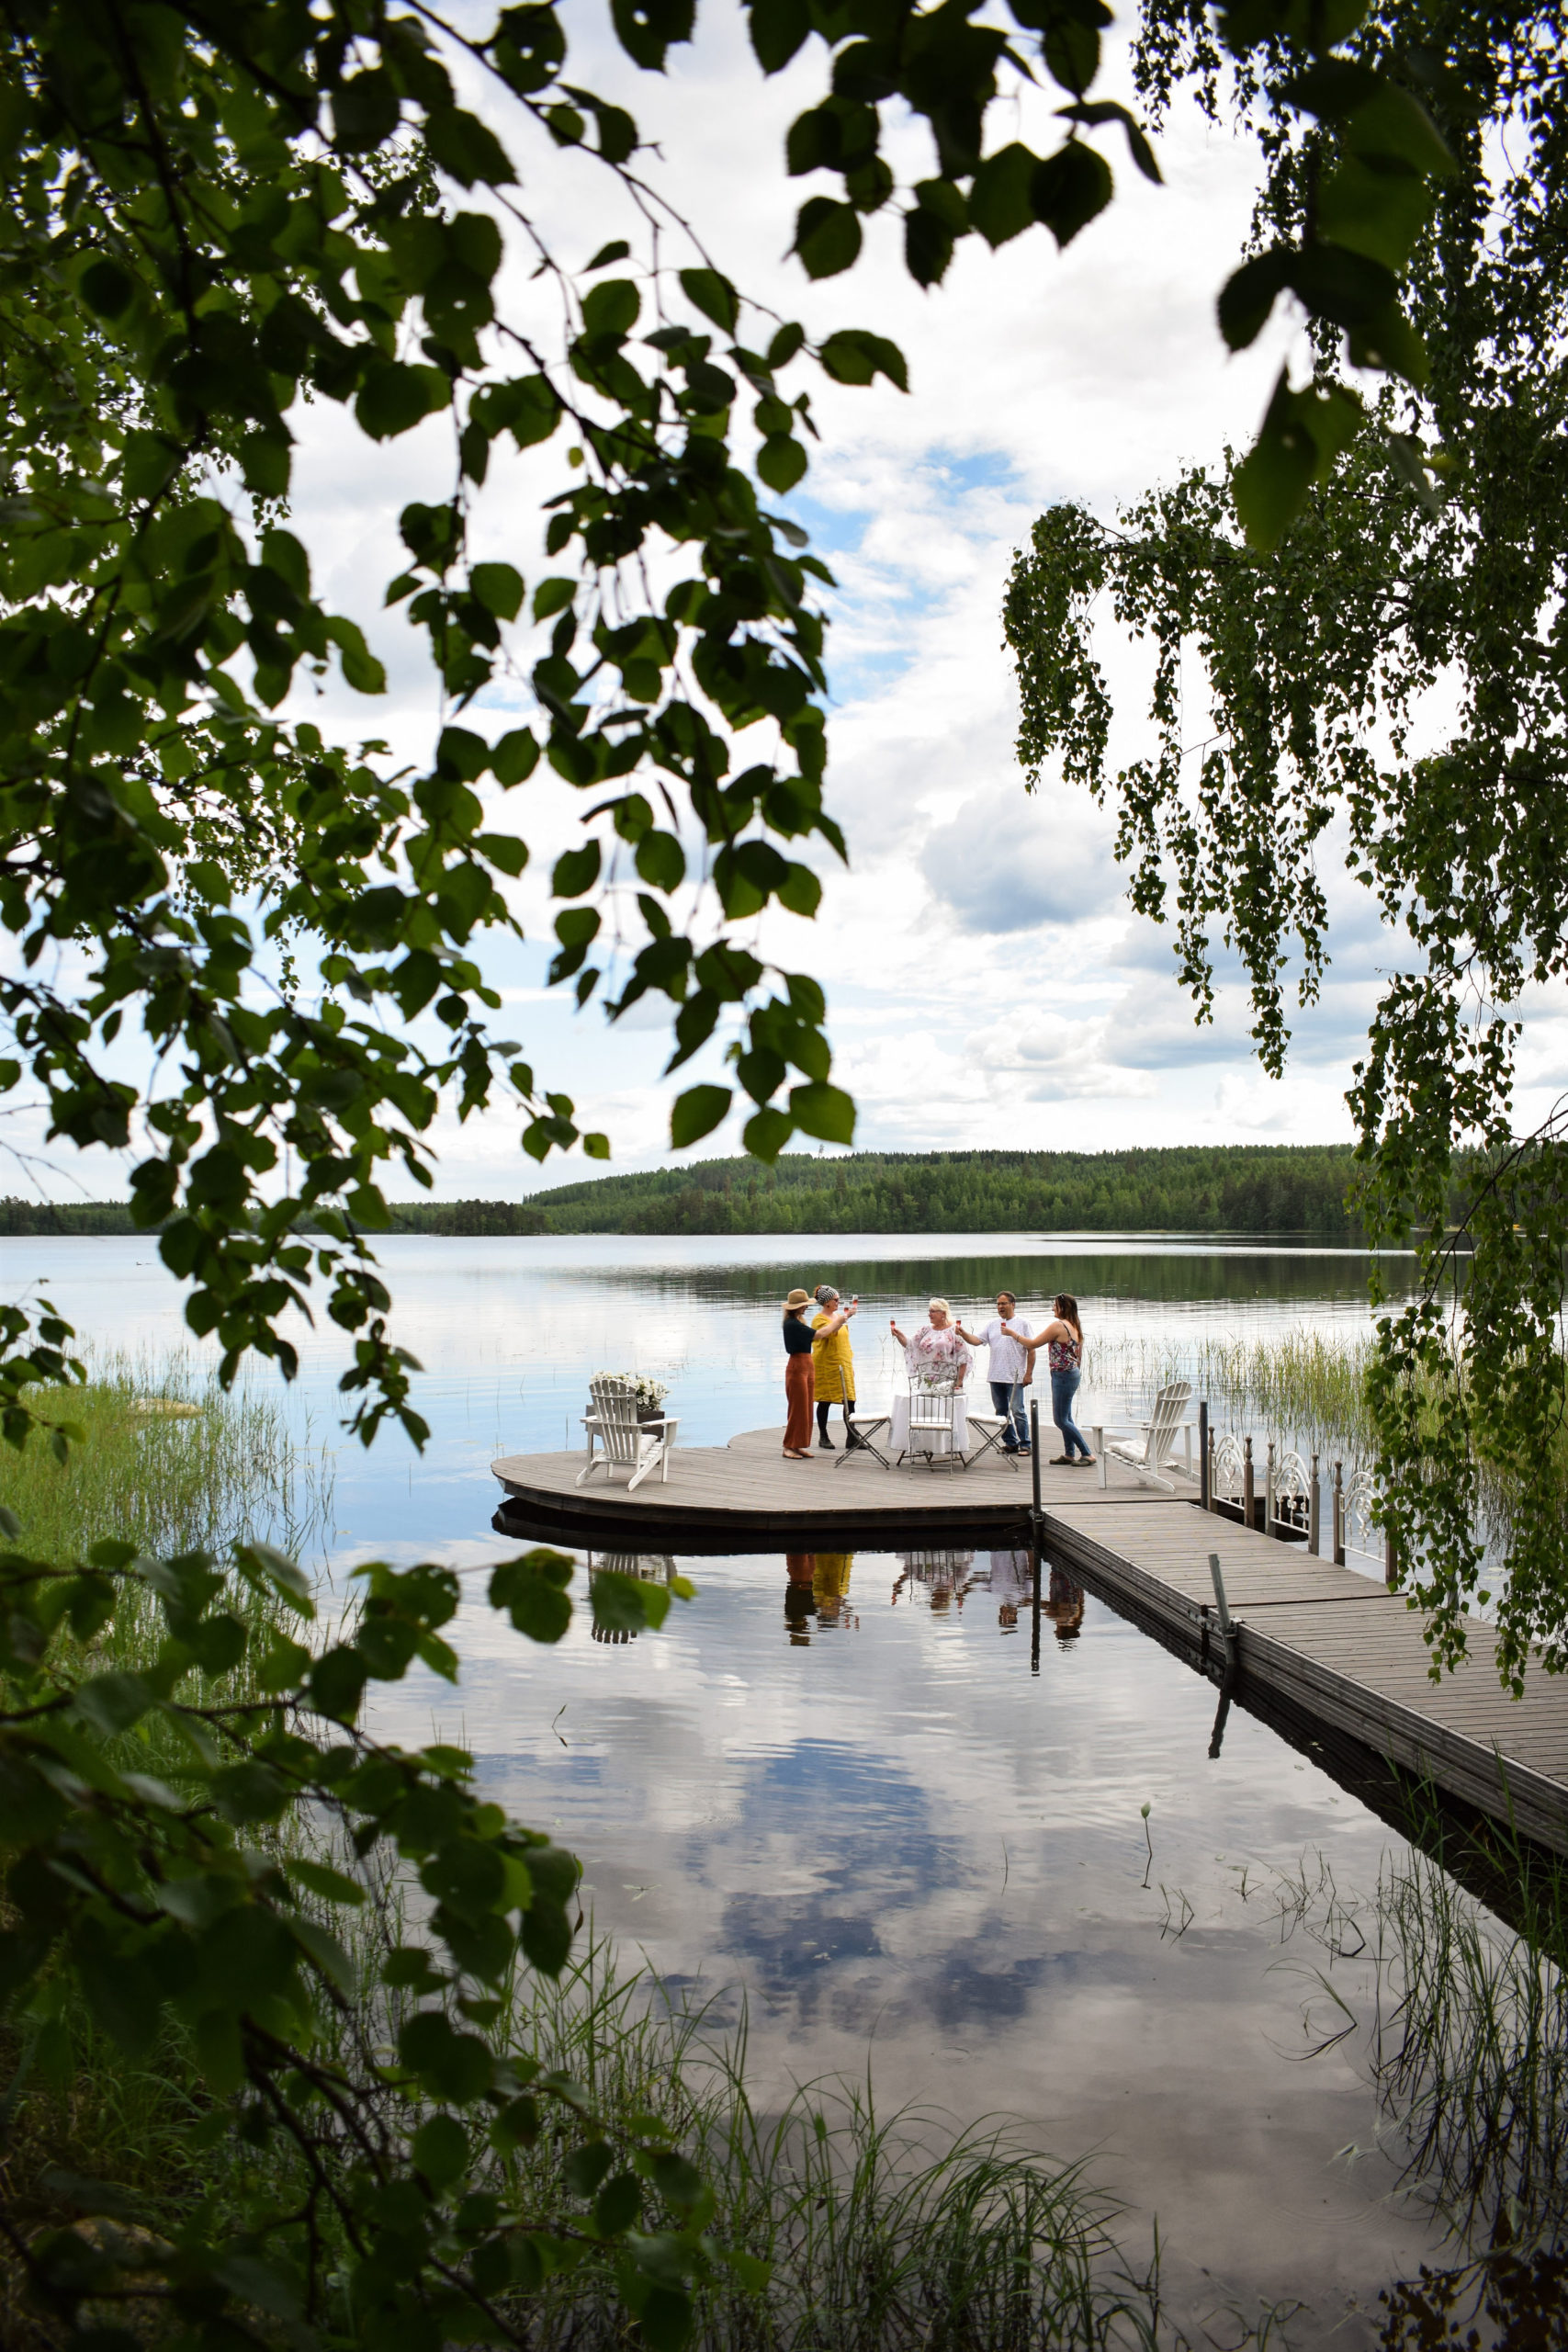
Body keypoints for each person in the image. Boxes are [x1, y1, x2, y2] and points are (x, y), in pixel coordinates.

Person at [1016, 1294, 1091, 1463]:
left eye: (1055, 1305)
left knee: (1060, 1420)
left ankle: (1087, 1453)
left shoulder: (1058, 1326)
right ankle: (1069, 1454)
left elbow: (1033, 1344)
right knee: (1067, 1416)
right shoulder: (1074, 1326)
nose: (1052, 1308)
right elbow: (1078, 1356)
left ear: (1063, 1308)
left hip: (1063, 1375)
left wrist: (1014, 1335)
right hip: (1071, 1373)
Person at [956, 1290, 1033, 1453]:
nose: (1000, 1307)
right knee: (1001, 1412)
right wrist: (963, 1334)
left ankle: (1025, 1444)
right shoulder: (992, 1324)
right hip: (995, 1375)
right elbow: (977, 1341)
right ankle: (1011, 1443)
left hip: (1015, 1377)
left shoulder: (1023, 1323)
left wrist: (1029, 1373)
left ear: (1013, 1304)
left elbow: (1031, 1349)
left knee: (1018, 1411)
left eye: (1003, 1303)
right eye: (998, 1304)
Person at [811, 1283, 859, 1449]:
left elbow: (843, 1338)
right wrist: (843, 1319)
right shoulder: (819, 1319)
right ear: (827, 1303)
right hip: (826, 1365)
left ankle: (851, 1437)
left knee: (850, 1400)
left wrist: (850, 1364)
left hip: (843, 1363)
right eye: (836, 1299)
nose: (839, 1302)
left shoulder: (838, 1316)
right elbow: (829, 1332)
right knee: (825, 1400)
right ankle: (823, 1436)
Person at [888, 1298, 971, 1388]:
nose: (929, 1314)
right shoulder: (925, 1330)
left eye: (933, 1311)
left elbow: (963, 1357)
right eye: (929, 1311)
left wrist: (959, 1381)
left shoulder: (954, 1331)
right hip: (926, 1380)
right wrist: (898, 1334)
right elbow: (910, 1345)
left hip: (947, 1380)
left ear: (943, 1313)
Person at [781, 1286, 817, 1459]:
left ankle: (798, 1444)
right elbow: (819, 1334)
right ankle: (788, 1446)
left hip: (807, 1365)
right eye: (804, 1305)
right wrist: (841, 1320)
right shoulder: (792, 1324)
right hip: (797, 1367)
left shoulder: (799, 1322)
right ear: (796, 1307)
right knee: (797, 1408)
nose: (806, 1307)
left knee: (806, 1407)